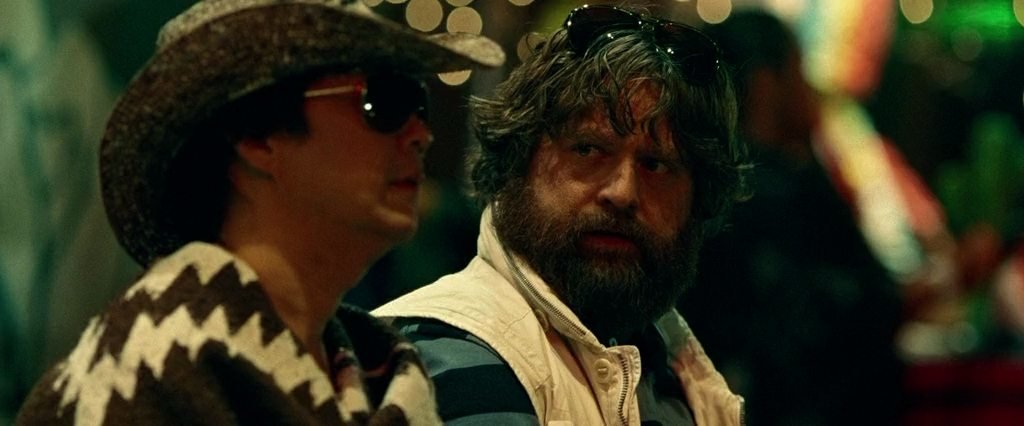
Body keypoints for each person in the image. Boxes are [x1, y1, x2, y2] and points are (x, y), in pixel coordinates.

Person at [16, 0, 503, 424]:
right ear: (256, 138)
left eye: (420, 106)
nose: (421, 135)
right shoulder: (142, 370)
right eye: (385, 101)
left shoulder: (383, 374)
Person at [374, 4, 748, 425]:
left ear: (699, 198)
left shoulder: (674, 368)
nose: (622, 192)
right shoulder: (444, 351)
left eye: (656, 164)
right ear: (517, 161)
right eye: (588, 149)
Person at [677, 10, 904, 425]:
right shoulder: (772, 193)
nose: (810, 91)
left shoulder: (702, 185)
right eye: (799, 72)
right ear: (766, 85)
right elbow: (844, 316)